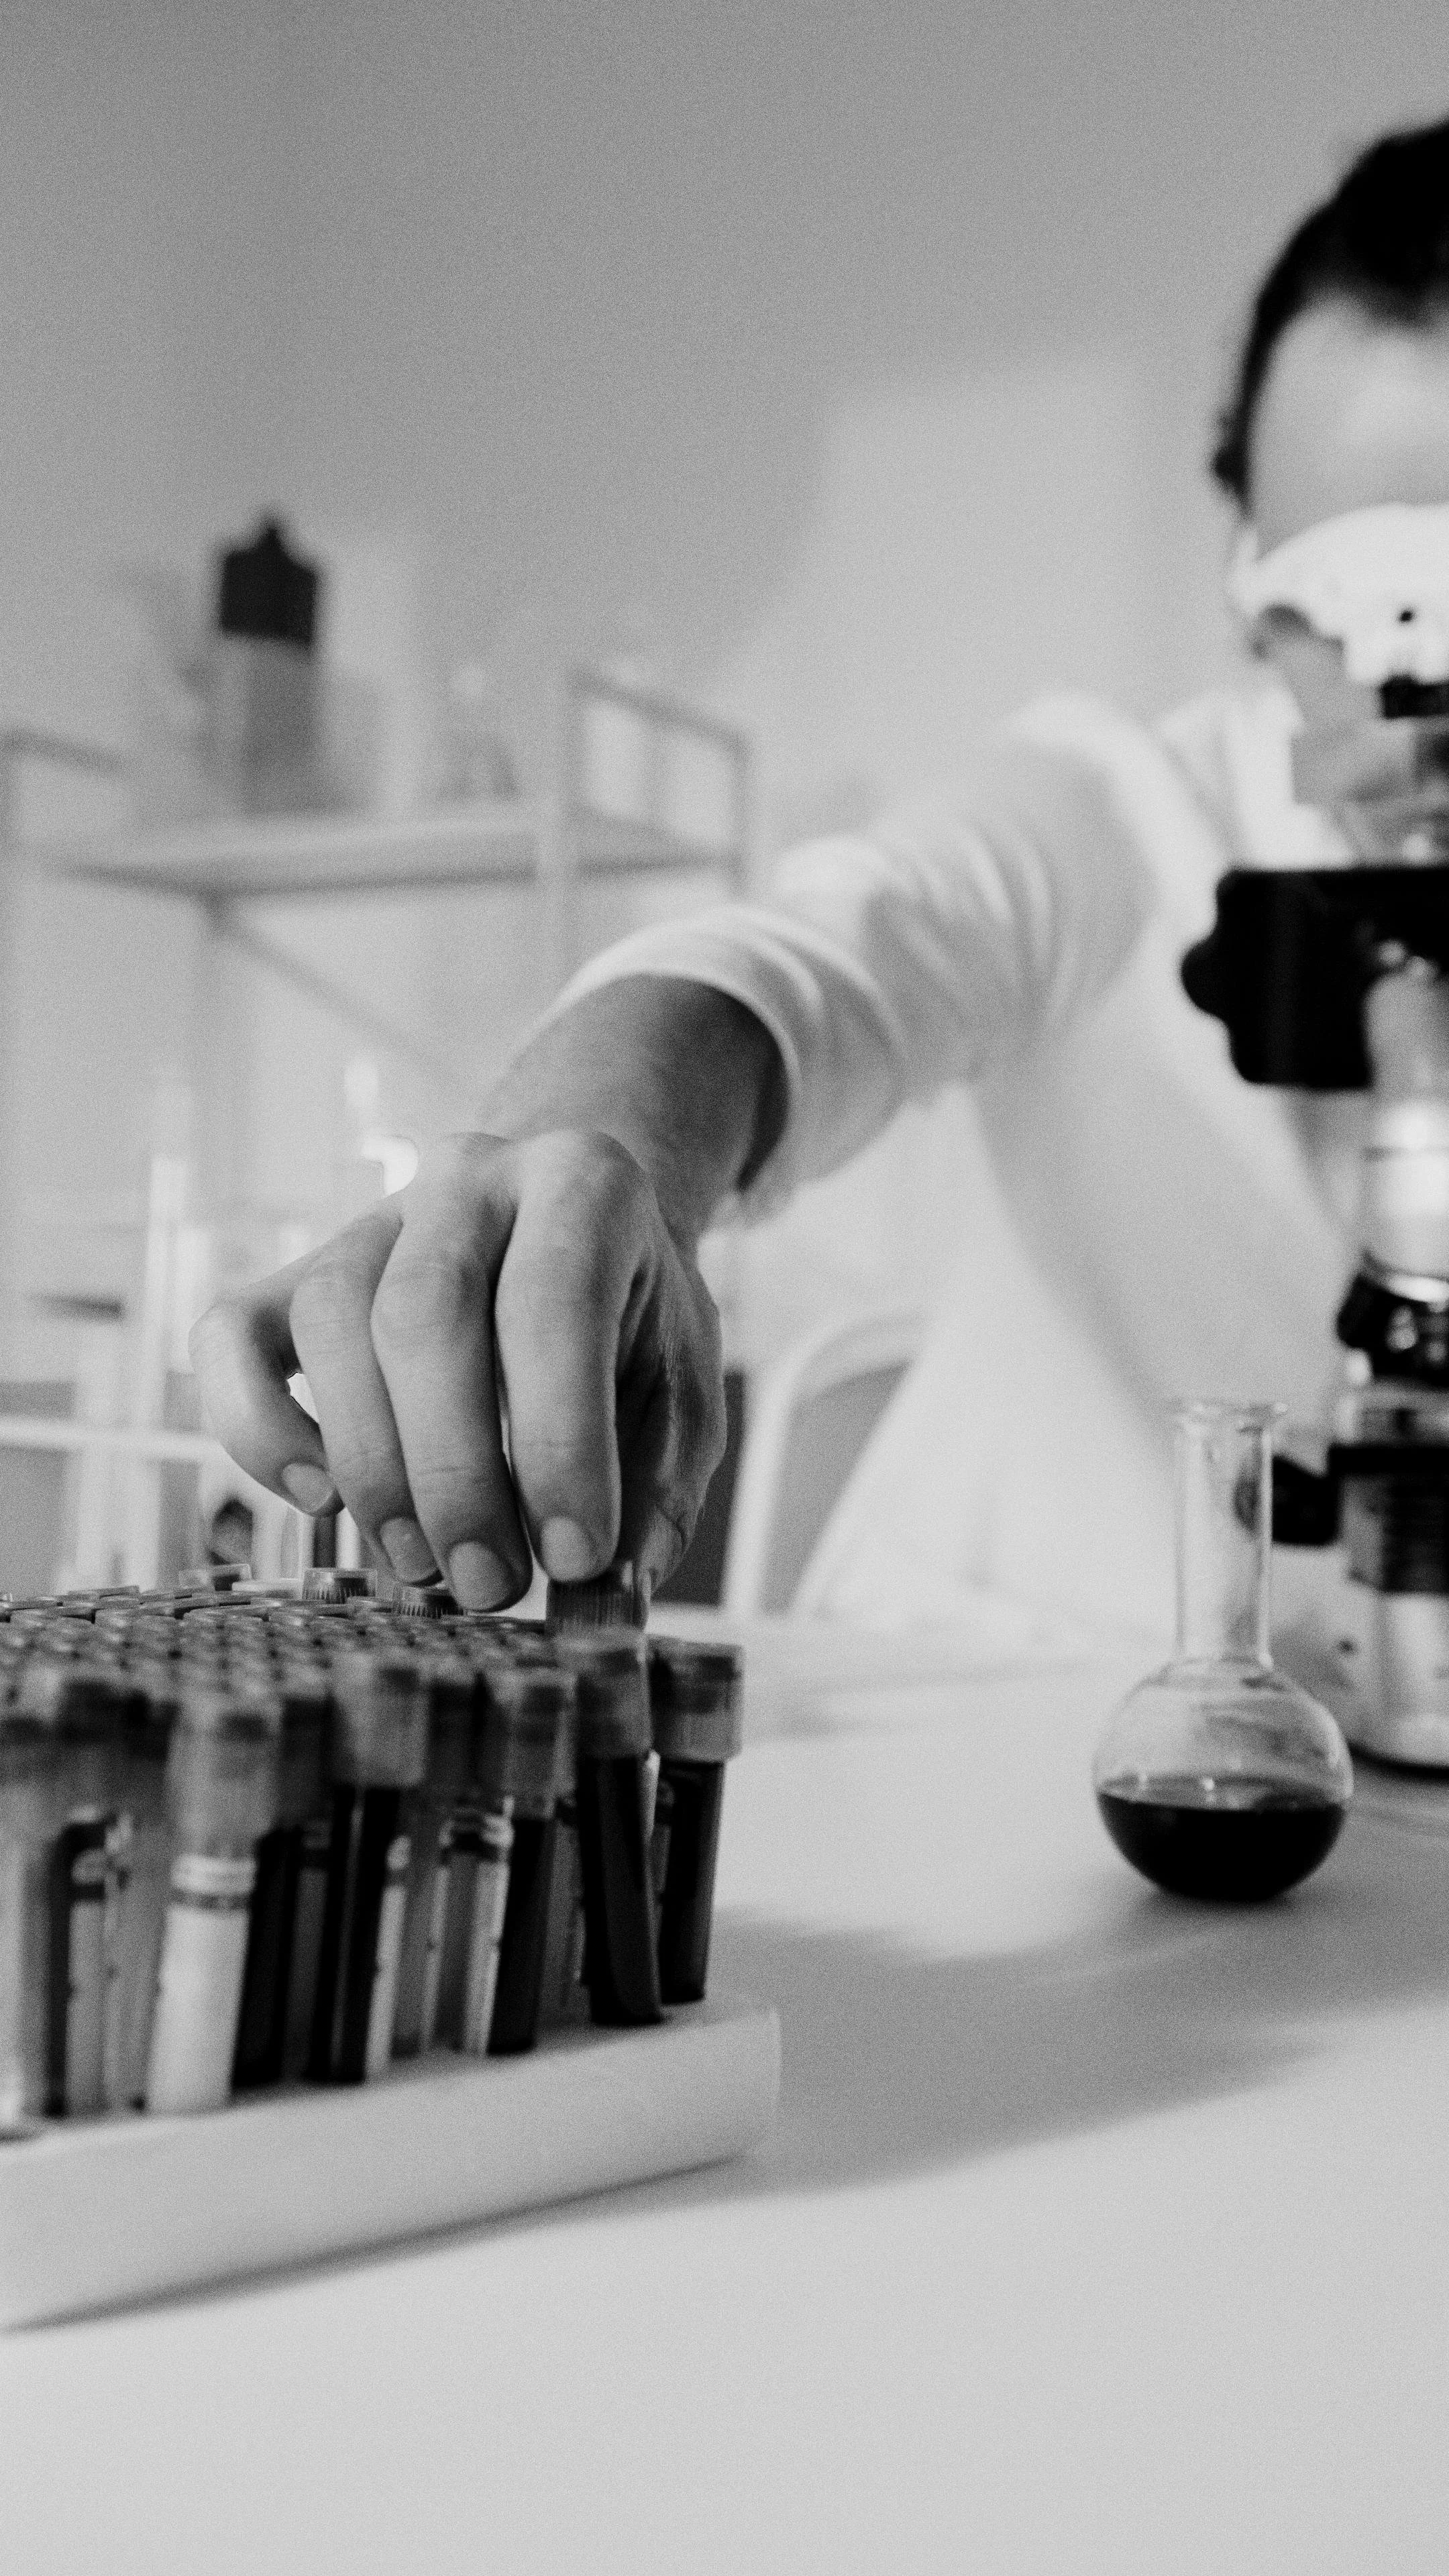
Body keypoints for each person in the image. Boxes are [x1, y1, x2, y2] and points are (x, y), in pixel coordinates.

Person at [193, 117, 1449, 1640]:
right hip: (992, 1741)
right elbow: (824, 954)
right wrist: (593, 1157)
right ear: (1247, 580)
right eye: (1352, 605)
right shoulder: (1129, 811)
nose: (1417, 704)